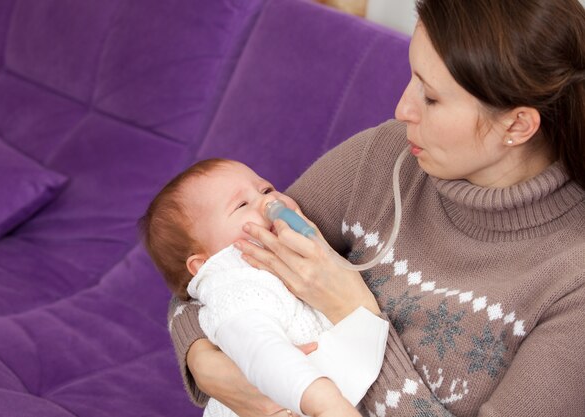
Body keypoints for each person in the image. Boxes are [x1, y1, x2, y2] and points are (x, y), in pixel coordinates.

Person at [168, 0, 585, 416]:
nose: (402, 110)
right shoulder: (389, 155)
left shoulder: (572, 285)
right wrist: (202, 358)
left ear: (517, 125)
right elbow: (215, 264)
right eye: (412, 77)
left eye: (432, 98)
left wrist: (355, 315)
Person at [138, 158, 389, 417]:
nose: (269, 203)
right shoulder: (234, 289)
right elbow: (262, 353)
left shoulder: (286, 263)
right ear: (204, 263)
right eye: (242, 204)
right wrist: (325, 403)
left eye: (266, 190)